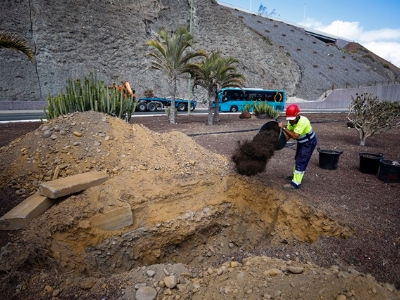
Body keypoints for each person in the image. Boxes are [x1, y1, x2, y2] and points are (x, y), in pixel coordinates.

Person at [278, 104, 317, 189]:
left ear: (297, 115)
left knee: (301, 160)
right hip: (302, 142)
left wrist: (283, 128)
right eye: (289, 119)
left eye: (292, 119)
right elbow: (288, 135)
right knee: (297, 158)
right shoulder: (290, 122)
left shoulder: (303, 121)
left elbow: (295, 136)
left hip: (309, 143)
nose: (291, 121)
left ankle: (295, 184)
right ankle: (294, 176)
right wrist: (281, 143)